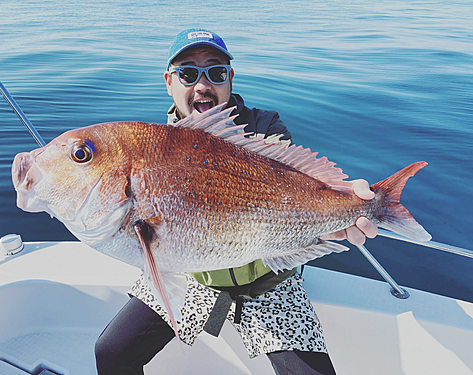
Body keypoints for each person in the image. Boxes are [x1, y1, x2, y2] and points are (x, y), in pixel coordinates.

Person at [95, 28, 378, 375]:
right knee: (110, 352)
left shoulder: (263, 128)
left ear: (229, 79)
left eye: (215, 73)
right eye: (188, 73)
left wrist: (345, 201)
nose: (202, 86)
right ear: (169, 81)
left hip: (269, 281)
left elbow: (295, 183)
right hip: (195, 278)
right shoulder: (154, 149)